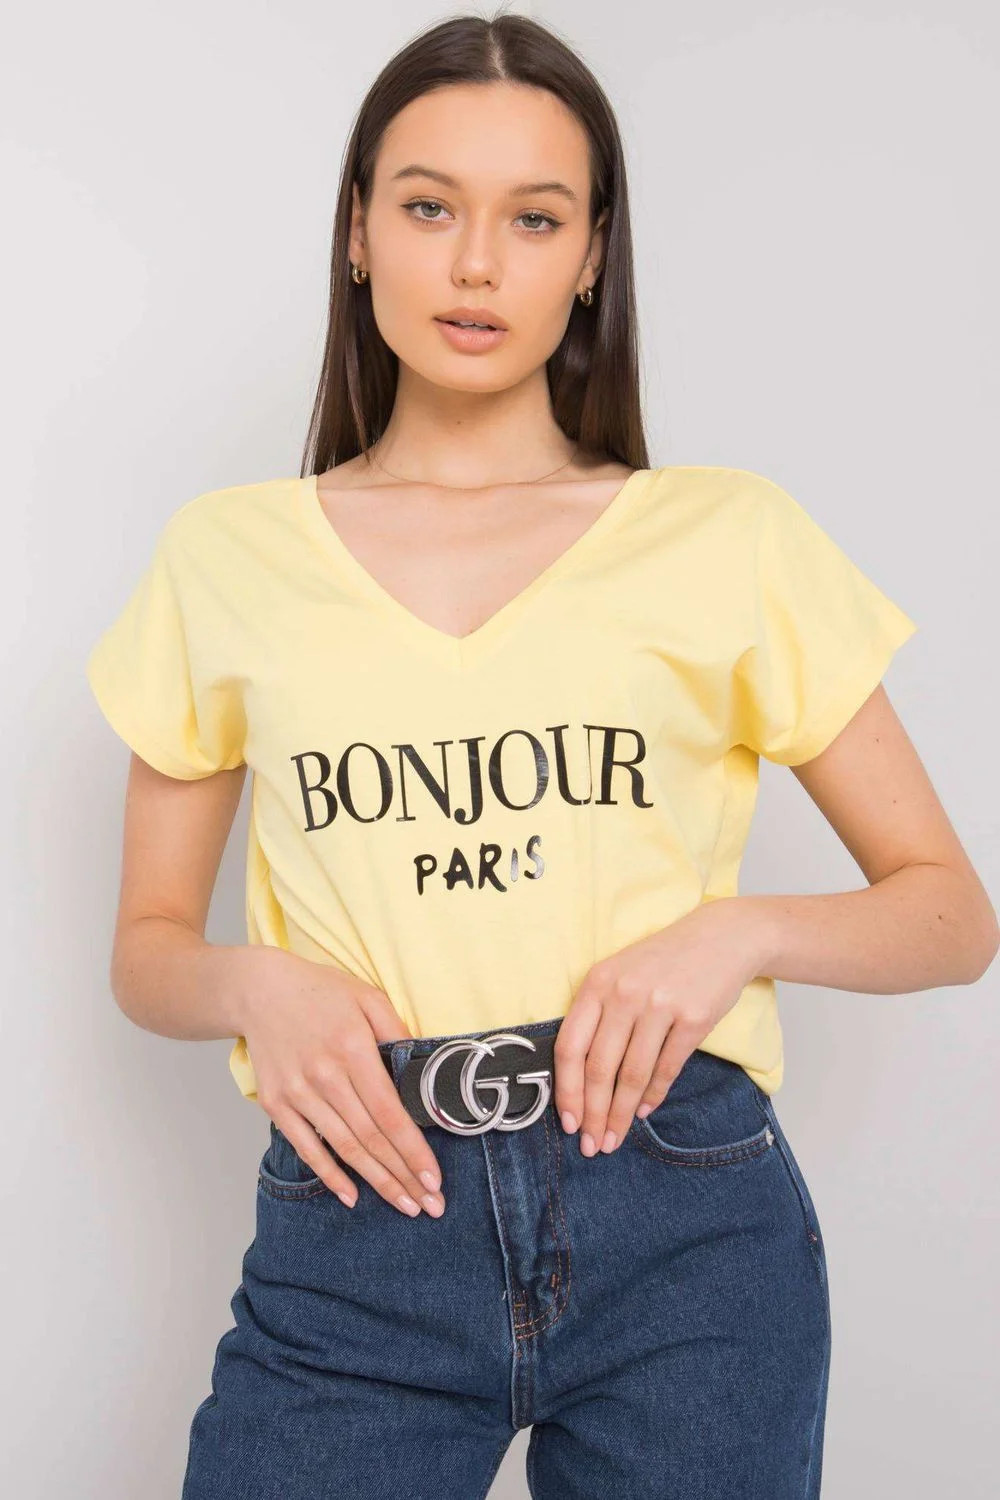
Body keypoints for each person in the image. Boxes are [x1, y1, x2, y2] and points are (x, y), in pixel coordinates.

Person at [85, 12, 997, 1500]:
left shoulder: (725, 537)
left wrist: (735, 933)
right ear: (359, 232)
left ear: (590, 258)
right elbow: (146, 951)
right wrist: (254, 984)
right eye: (428, 206)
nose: (475, 264)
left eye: (534, 218)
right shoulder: (226, 557)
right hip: (357, 1214)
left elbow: (951, 915)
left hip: (685, 1218)